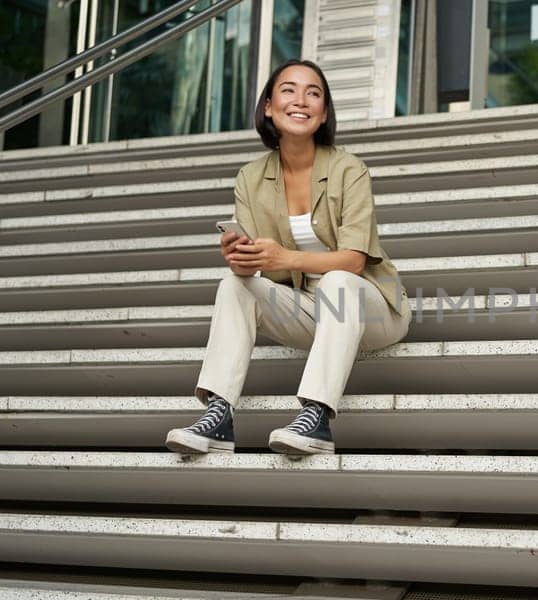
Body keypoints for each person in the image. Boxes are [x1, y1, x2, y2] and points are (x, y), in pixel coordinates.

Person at [165, 59, 410, 457]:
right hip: (310, 312)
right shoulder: (250, 177)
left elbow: (352, 261)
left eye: (313, 93)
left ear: (325, 112)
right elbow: (259, 265)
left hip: (373, 311)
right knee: (234, 284)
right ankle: (219, 415)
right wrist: (240, 257)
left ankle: (316, 416)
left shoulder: (350, 170)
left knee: (338, 280)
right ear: (268, 106)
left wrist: (283, 256)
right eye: (289, 90)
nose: (301, 100)